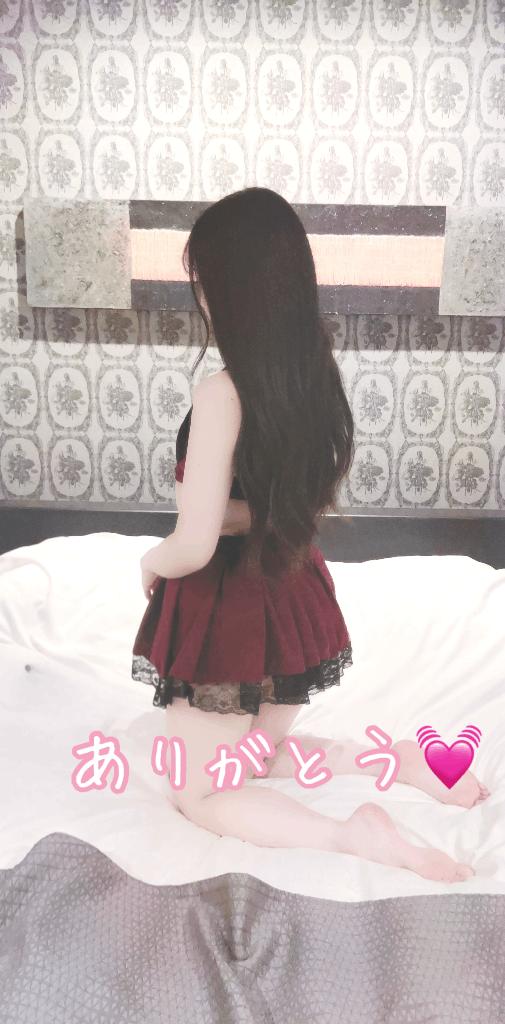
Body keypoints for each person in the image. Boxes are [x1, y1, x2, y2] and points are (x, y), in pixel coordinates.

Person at [132, 187, 487, 881]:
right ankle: (400, 762)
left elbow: (194, 544)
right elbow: (277, 508)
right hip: (290, 600)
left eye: (204, 283)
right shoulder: (310, 377)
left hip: (226, 617)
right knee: (256, 753)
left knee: (202, 793)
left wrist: (153, 558)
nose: (201, 299)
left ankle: (351, 835)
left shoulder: (221, 394)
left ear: (232, 291)